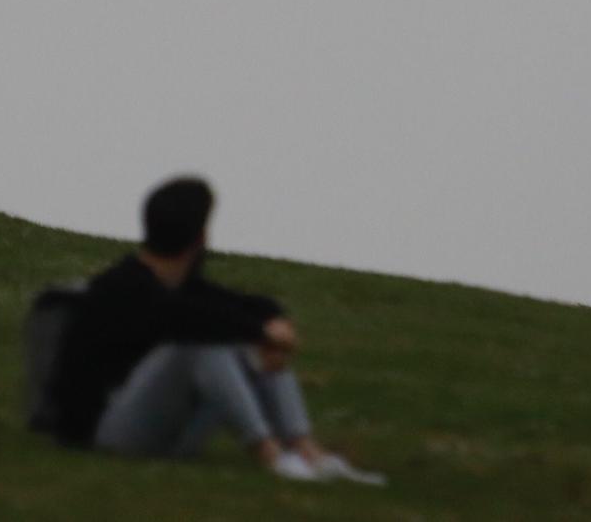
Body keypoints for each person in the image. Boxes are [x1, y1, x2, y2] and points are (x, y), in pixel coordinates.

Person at [48, 176, 383, 485]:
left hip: (165, 436)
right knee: (201, 345)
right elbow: (188, 319)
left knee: (239, 341)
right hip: (105, 433)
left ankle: (305, 451)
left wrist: (272, 323)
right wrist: (262, 331)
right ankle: (271, 456)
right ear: (199, 237)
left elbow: (242, 304)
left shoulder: (179, 286)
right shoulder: (123, 287)